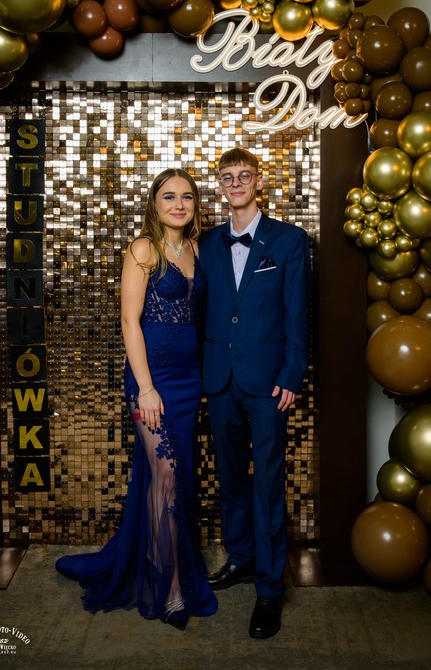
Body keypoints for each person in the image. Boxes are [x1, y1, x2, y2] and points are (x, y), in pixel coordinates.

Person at [55, 168, 218, 631]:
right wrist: (145, 387)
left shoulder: (197, 249)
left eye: (187, 197)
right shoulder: (143, 249)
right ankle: (170, 589)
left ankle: (159, 559)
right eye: (169, 197)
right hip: (151, 379)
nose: (179, 205)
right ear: (154, 203)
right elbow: (130, 321)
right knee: (165, 474)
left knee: (175, 477)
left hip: (189, 379)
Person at [198, 146, 312, 640]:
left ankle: (269, 588)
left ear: (259, 181)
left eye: (244, 175)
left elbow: (297, 312)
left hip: (269, 383)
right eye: (228, 177)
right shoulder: (206, 243)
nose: (236, 183)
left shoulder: (289, 240)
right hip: (220, 379)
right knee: (229, 477)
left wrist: (292, 373)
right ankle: (241, 558)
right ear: (220, 185)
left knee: (266, 483)